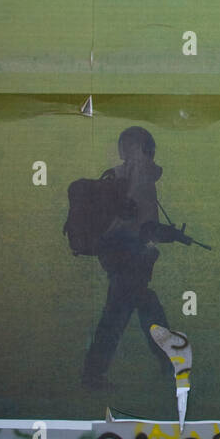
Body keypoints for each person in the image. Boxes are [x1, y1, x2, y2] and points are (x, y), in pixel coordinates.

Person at [81, 127, 180, 390]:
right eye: (149, 147)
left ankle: (169, 364)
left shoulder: (120, 174)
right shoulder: (141, 174)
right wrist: (170, 235)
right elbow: (144, 224)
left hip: (117, 253)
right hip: (131, 255)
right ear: (144, 148)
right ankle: (94, 375)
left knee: (143, 306)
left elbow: (131, 219)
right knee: (122, 314)